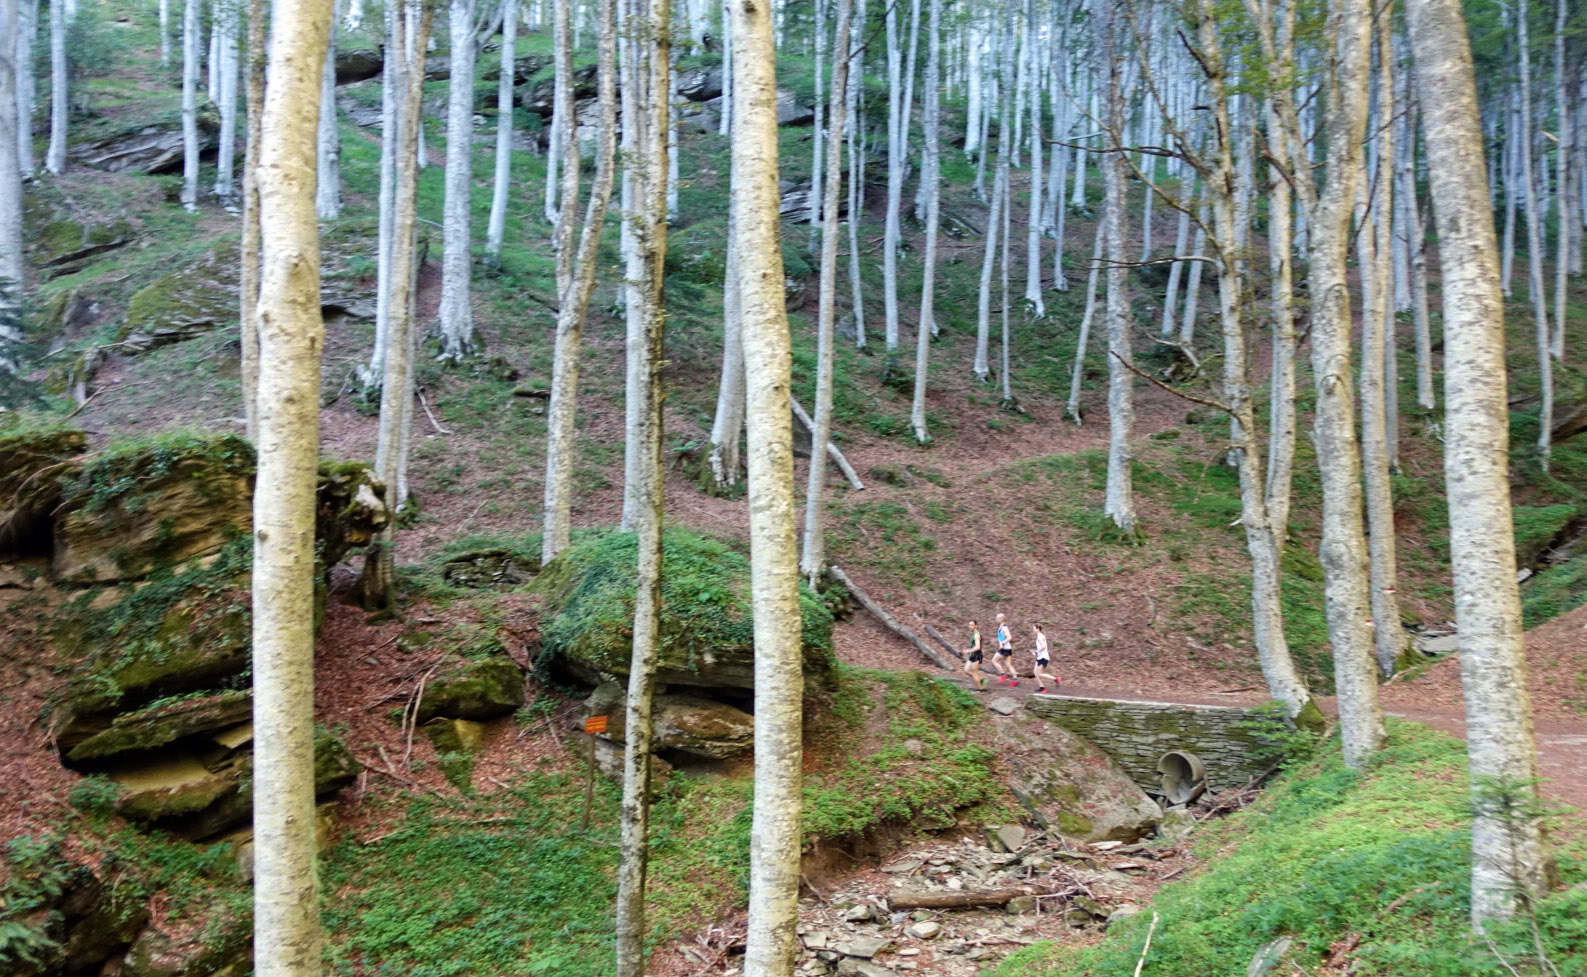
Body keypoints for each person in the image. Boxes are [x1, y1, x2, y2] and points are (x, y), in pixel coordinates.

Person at [992, 613, 1018, 686]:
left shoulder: (1004, 627)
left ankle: (1003, 675)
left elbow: (1009, 637)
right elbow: (1001, 637)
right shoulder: (1001, 627)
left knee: (994, 661)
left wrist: (1002, 643)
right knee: (1008, 665)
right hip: (1007, 648)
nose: (996, 619)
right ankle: (1015, 680)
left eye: (997, 618)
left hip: (1005, 649)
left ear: (1001, 619)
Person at [1032, 623, 1059, 692]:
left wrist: (1036, 651)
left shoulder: (1040, 637)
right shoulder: (1041, 636)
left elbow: (1043, 646)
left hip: (1043, 657)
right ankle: (1042, 687)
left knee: (1039, 673)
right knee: (1035, 672)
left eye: (1034, 628)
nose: (1033, 630)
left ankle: (1055, 679)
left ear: (1038, 629)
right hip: (1040, 657)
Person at [962, 620, 987, 691]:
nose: (970, 626)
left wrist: (968, 650)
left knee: (974, 673)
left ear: (976, 626)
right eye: (969, 625)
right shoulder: (973, 633)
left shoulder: (976, 634)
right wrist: (969, 651)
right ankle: (980, 680)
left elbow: (978, 647)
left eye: (972, 625)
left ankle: (980, 690)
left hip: (977, 655)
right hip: (973, 655)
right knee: (966, 670)